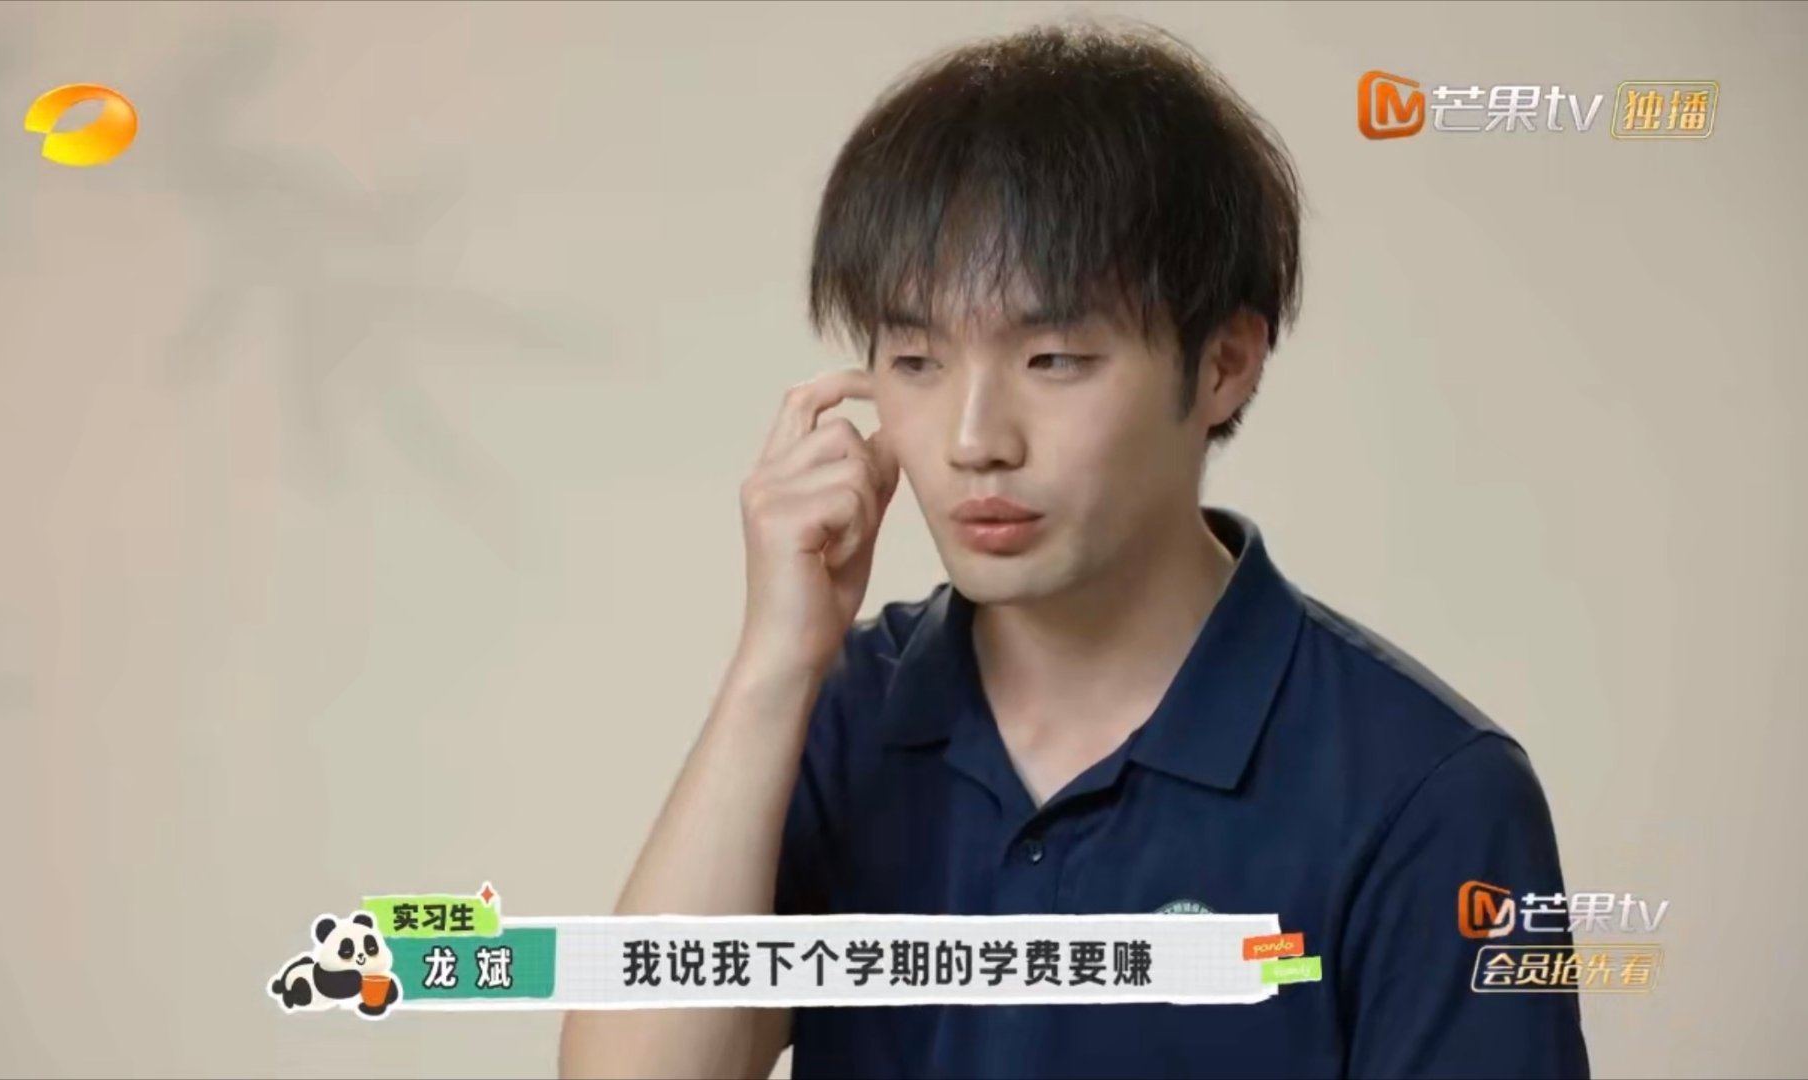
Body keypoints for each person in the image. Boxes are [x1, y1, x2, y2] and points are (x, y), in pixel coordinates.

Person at [559, 17, 1590, 1080]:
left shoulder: (1428, 790)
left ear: (1225, 363)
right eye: (915, 361)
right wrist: (776, 661)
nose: (973, 441)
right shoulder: (848, 711)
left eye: (1051, 358)